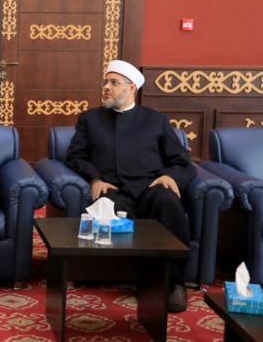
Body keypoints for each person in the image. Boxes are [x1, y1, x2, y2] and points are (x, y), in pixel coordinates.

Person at [66, 59, 196, 313]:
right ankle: (130, 277)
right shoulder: (90, 119)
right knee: (106, 207)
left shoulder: (156, 120)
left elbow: (181, 160)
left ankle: (174, 282)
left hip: (151, 186)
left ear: (131, 87)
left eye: (114, 83)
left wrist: (170, 176)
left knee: (168, 201)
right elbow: (75, 156)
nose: (106, 87)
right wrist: (95, 179)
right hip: (113, 188)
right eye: (105, 82)